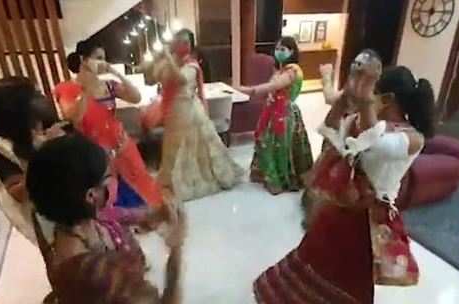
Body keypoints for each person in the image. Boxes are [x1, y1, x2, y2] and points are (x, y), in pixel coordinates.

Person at [253, 61, 435, 303]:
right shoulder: (361, 121)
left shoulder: (412, 138)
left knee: (348, 279)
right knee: (312, 260)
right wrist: (342, 102)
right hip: (339, 207)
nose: (369, 97)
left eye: (374, 92)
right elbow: (330, 131)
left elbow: (377, 145)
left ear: (388, 98)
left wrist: (366, 105)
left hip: (369, 221)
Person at [27, 134, 184, 304]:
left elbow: (137, 216)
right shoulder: (89, 273)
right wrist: (176, 249)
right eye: (110, 177)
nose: (115, 182)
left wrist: (159, 214)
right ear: (91, 195)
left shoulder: (84, 217)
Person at [54, 40, 165, 210]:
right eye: (98, 58)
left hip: (120, 140)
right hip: (94, 148)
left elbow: (136, 97)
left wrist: (115, 72)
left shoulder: (108, 86)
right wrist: (85, 91)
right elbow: (74, 117)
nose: (102, 62)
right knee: (108, 190)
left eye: (104, 58)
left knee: (140, 181)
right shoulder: (67, 89)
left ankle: (144, 216)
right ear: (84, 60)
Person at [150, 29, 243, 202]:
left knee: (191, 146)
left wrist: (168, 58)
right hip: (173, 111)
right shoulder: (170, 62)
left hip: (188, 110)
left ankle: (192, 181)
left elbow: (181, 80)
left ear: (191, 45)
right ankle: (170, 179)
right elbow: (156, 76)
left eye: (186, 42)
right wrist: (161, 58)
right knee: (172, 146)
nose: (182, 45)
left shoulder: (192, 65)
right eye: (179, 41)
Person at [0, 76, 65, 244]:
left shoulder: (34, 127)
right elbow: (20, 193)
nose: (41, 98)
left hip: (63, 205)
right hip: (43, 220)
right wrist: (46, 149)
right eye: (35, 95)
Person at [238, 36, 313, 195]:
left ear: (291, 52)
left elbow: (275, 86)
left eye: (283, 49)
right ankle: (267, 175)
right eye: (277, 49)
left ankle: (280, 180)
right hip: (272, 110)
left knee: (280, 146)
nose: (278, 52)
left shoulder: (293, 70)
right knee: (266, 142)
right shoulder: (280, 70)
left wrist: (250, 90)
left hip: (284, 113)